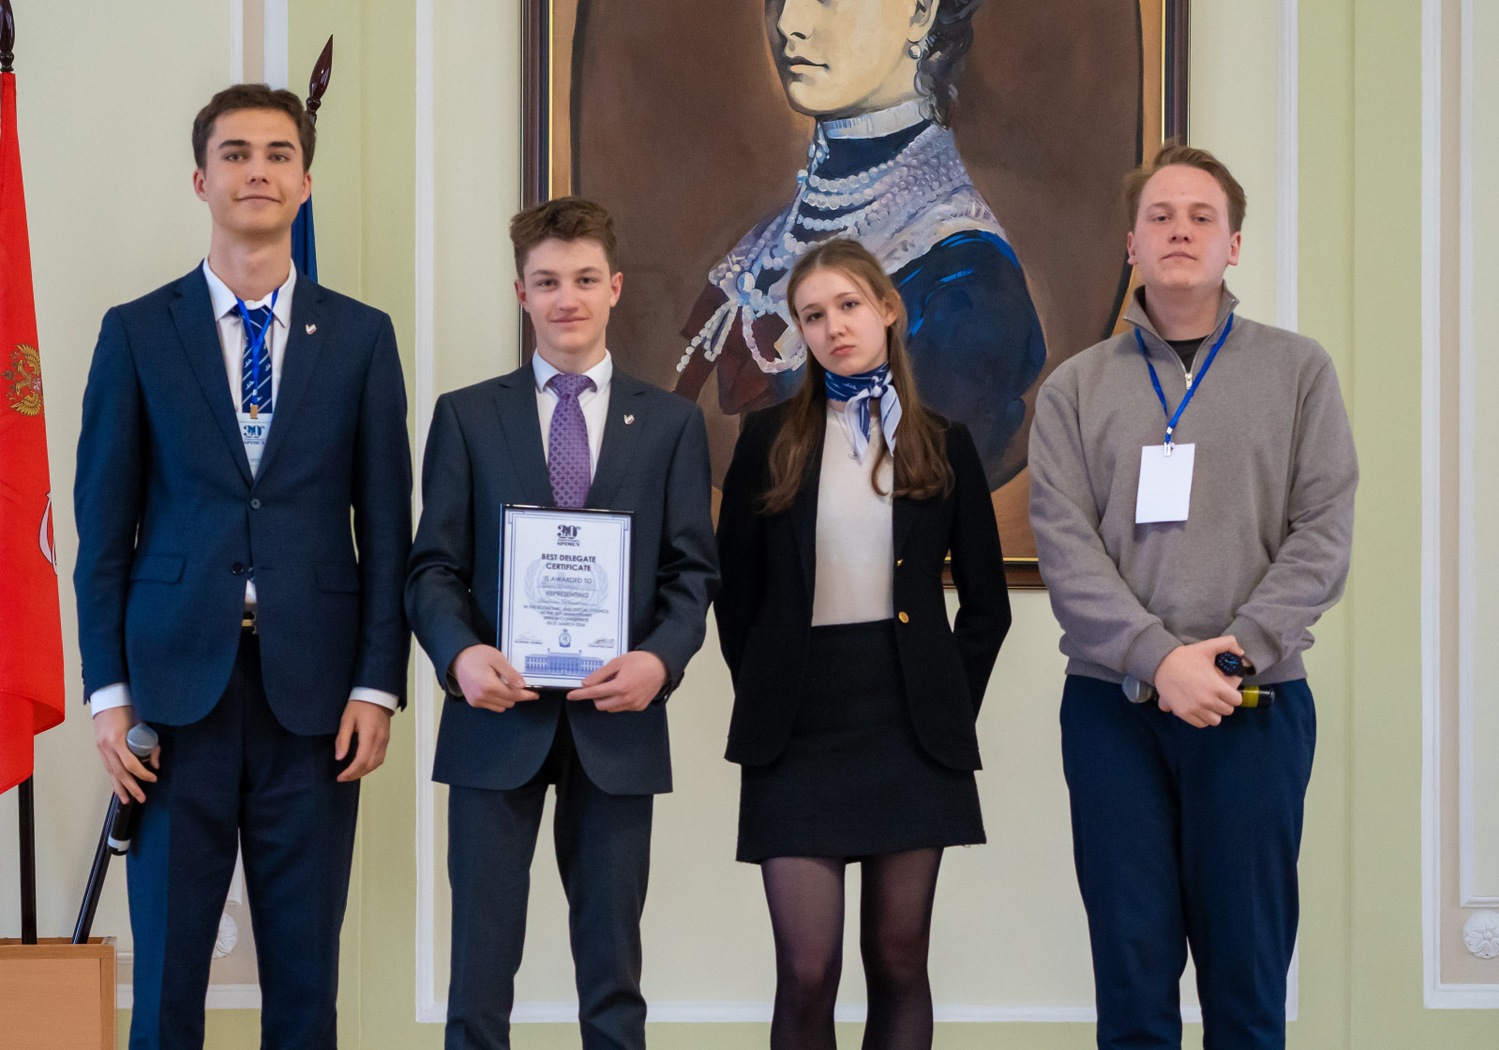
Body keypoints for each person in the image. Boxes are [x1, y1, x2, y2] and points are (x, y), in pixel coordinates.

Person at [73, 84, 411, 1050]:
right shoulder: (137, 331)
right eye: (235, 154)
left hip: (317, 702)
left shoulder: (361, 337)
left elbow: (389, 529)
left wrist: (377, 685)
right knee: (166, 983)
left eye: (277, 154)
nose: (256, 170)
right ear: (201, 180)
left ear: (305, 183)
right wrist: (108, 696)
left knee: (305, 984)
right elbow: (104, 535)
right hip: (172, 702)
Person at [1028, 144, 1357, 1049]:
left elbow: (1323, 533)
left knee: (1246, 985)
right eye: (1161, 216)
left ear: (1234, 245)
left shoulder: (1299, 372)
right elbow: (1066, 550)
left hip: (1254, 707)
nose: (1181, 231)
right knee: (1133, 985)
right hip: (1113, 715)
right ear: (1131, 244)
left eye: (1202, 217)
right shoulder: (1074, 390)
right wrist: (1160, 661)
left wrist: (1232, 653)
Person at [406, 198, 718, 1050]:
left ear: (613, 287)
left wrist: (659, 662)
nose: (566, 298)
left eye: (584, 279)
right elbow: (432, 568)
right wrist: (459, 655)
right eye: (547, 282)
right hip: (493, 721)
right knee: (478, 981)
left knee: (613, 981)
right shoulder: (468, 416)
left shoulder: (671, 425)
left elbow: (692, 574)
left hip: (616, 726)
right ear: (521, 293)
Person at [674, 0, 1046, 486]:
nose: (788, 22)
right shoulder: (762, 248)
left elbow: (922, 504)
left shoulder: (963, 279)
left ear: (921, 10)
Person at [715, 236, 1011, 1050]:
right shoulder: (766, 440)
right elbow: (735, 596)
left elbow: (987, 607)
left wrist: (943, 705)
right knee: (807, 971)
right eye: (812, 315)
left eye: (848, 305)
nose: (833, 327)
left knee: (899, 960)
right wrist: (772, 684)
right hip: (798, 726)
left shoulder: (943, 442)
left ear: (886, 309)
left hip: (909, 726)